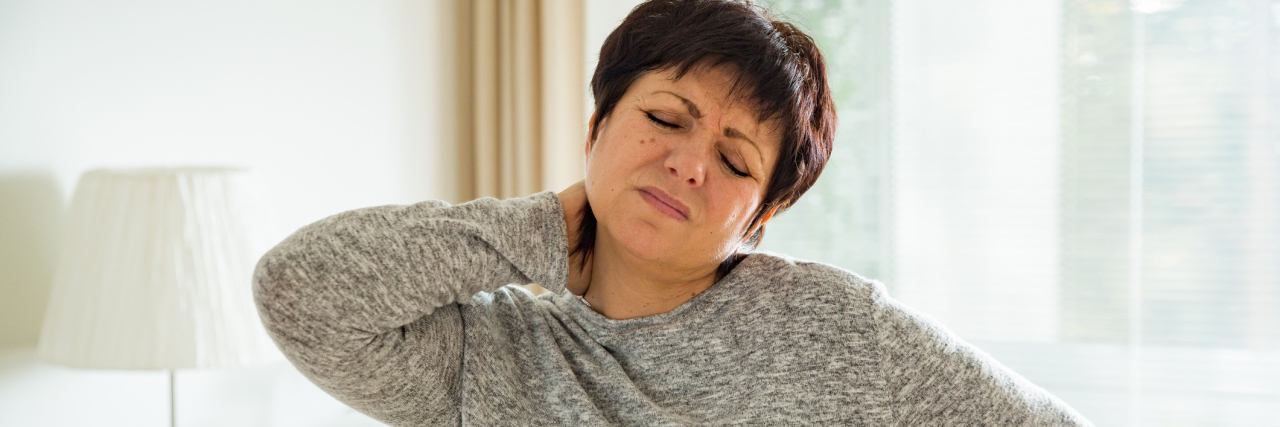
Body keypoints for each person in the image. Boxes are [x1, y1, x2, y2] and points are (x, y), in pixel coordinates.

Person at [252, 0, 1092, 425]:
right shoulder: (488, 350)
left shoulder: (837, 328)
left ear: (760, 217)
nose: (689, 163)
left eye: (734, 161)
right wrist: (550, 226)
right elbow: (299, 294)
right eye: (663, 119)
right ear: (596, 126)